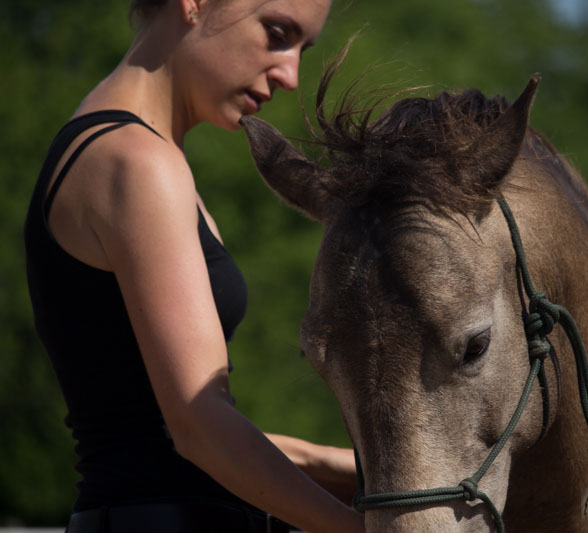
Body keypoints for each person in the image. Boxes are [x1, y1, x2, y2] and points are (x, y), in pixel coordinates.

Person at [23, 0, 365, 531]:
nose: (291, 75)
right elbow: (198, 428)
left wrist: (348, 466)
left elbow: (147, 427)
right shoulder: (138, 163)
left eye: (302, 48)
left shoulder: (116, 150)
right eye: (277, 33)